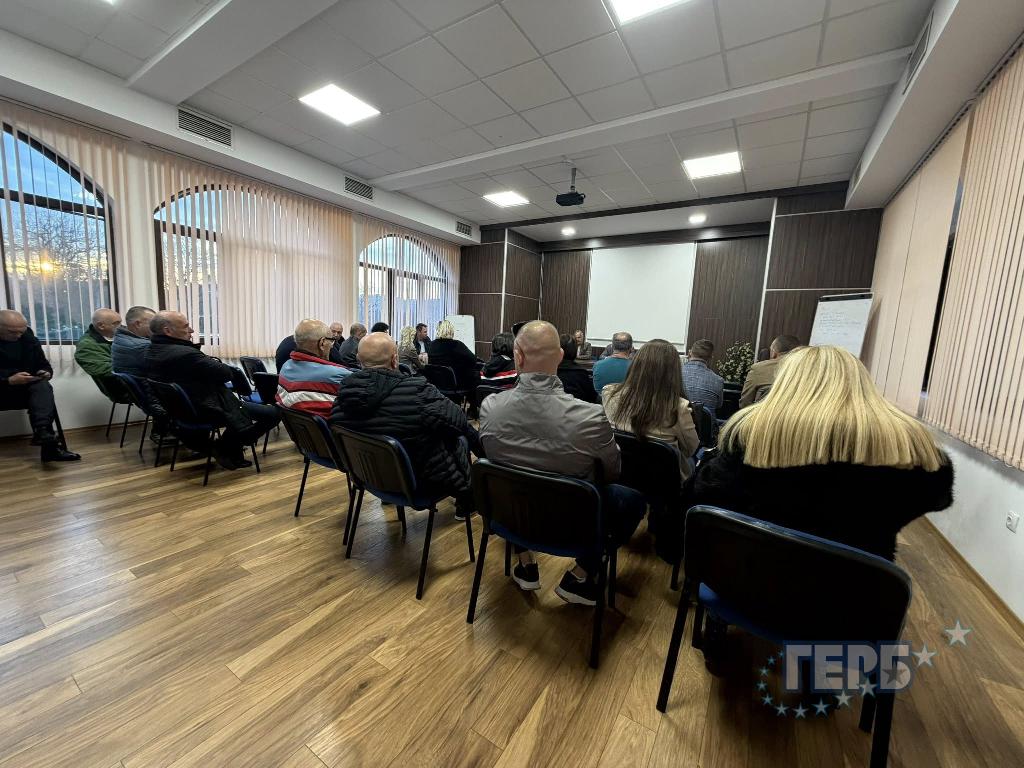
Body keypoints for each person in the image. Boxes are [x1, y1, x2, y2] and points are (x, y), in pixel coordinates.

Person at [688, 345, 954, 562]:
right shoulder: (906, 455)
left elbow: (702, 496)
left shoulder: (749, 438)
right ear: (863, 386)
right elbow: (938, 496)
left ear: (786, 384)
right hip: (854, 601)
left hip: (748, 584)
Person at [479, 321, 645, 606]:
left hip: (511, 518)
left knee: (513, 480)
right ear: (559, 356)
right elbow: (612, 472)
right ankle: (582, 574)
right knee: (632, 501)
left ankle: (525, 561)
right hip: (574, 528)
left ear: (518, 356)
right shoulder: (592, 418)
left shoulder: (490, 408)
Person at [329, 332, 478, 519]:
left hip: (370, 477)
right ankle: (467, 498)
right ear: (395, 360)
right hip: (422, 482)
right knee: (456, 434)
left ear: (359, 360)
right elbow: (459, 421)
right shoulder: (417, 391)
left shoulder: (342, 395)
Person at [145, 311, 280, 469]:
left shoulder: (152, 350)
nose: (191, 330)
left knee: (243, 411)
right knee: (274, 414)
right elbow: (225, 373)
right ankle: (225, 447)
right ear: (168, 331)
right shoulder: (186, 354)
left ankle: (226, 447)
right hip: (208, 408)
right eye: (186, 326)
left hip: (182, 410)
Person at [603, 339, 700, 480]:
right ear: (673, 372)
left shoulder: (609, 393)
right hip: (662, 483)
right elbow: (691, 449)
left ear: (636, 364)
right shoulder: (679, 407)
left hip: (620, 473)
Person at [0, 309, 80, 462]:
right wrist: (8, 380)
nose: (18, 335)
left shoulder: (28, 339)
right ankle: (45, 436)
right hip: (2, 391)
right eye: (12, 332)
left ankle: (43, 435)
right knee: (41, 397)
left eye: (21, 331)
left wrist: (45, 372)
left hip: (25, 389)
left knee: (42, 385)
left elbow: (43, 364)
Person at [277, 319, 352, 417]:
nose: (332, 346)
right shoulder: (340, 375)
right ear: (322, 343)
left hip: (296, 425)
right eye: (331, 341)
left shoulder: (285, 367)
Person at [74, 307, 129, 402]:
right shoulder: (86, 346)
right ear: (101, 326)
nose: (121, 326)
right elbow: (105, 370)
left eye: (120, 322)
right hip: (122, 389)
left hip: (136, 381)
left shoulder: (119, 332)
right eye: (116, 323)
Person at [740, 334, 800, 407]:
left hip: (764, 413)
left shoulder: (759, 368)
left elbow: (745, 403)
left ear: (774, 352)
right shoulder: (806, 370)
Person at [427, 319, 480, 394]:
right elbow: (473, 360)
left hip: (437, 385)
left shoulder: (431, 345)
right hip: (456, 384)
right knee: (476, 376)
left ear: (438, 331)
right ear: (451, 331)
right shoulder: (457, 345)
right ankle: (473, 402)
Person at [682, 339, 724, 414]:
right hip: (705, 421)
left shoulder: (675, 374)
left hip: (678, 420)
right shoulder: (718, 380)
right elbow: (719, 405)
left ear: (690, 353)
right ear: (711, 358)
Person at [111, 305, 156, 377]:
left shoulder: (120, 337)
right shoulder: (142, 346)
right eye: (153, 324)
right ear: (138, 324)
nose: (156, 327)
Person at [557, 333, 597, 403]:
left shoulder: (550, 371)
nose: (578, 339)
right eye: (577, 337)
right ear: (574, 350)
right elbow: (592, 397)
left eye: (579, 337)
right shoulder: (582, 373)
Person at [592, 332, 633, 396]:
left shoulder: (597, 365)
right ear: (631, 347)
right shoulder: (636, 367)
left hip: (602, 401)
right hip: (627, 401)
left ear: (613, 346)